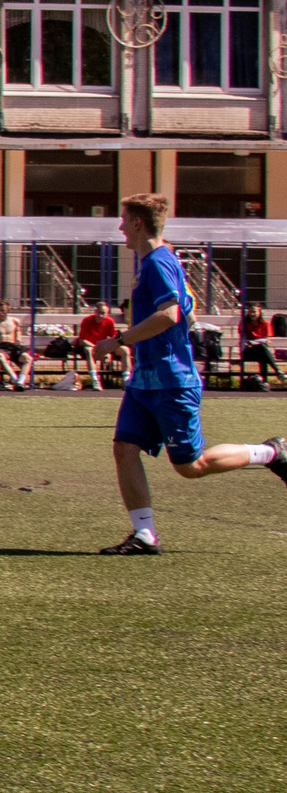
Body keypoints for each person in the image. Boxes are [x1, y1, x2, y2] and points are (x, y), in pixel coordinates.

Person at [97, 194, 287, 555]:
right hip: (144, 380)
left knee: (191, 465)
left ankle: (271, 453)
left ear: (138, 223)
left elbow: (170, 314)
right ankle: (144, 535)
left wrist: (118, 340)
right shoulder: (153, 262)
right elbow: (185, 306)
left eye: (124, 220)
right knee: (124, 448)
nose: (120, 227)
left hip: (170, 379)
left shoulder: (158, 262)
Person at [74, 300, 125, 389]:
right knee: (89, 350)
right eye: (99, 312)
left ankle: (126, 381)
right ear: (95, 311)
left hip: (103, 348)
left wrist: (108, 352)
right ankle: (95, 380)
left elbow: (112, 339)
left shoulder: (109, 322)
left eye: (103, 313)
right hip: (89, 347)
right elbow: (82, 341)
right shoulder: (87, 320)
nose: (100, 315)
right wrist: (97, 348)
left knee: (125, 350)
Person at [0, 306, 36, 391]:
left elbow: (18, 331)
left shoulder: (15, 321)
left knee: (28, 359)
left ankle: (20, 381)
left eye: (3, 310)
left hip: (13, 345)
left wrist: (18, 339)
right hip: (1, 345)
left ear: (8, 310)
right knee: (0, 356)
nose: (0, 313)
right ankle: (15, 380)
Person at [238, 302, 280, 391]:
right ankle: (277, 371)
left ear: (259, 312)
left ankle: (263, 383)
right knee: (263, 351)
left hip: (260, 351)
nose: (252, 314)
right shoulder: (244, 324)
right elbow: (242, 339)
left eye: (254, 312)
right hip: (248, 351)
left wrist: (257, 342)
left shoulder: (265, 324)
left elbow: (268, 340)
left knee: (262, 352)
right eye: (250, 312)